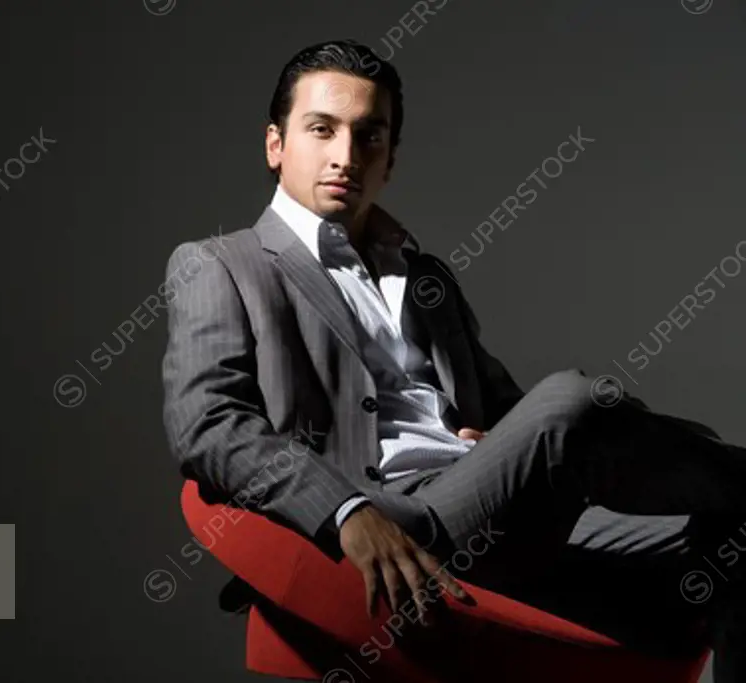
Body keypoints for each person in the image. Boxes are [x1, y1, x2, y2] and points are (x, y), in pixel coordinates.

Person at [160, 38, 745, 680]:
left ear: (390, 159)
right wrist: (347, 513)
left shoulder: (423, 274)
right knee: (571, 403)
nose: (345, 156)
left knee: (731, 540)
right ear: (276, 144)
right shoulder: (219, 265)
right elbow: (209, 424)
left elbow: (510, 413)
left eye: (368, 136)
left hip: (488, 508)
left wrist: (498, 439)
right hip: (405, 522)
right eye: (321, 130)